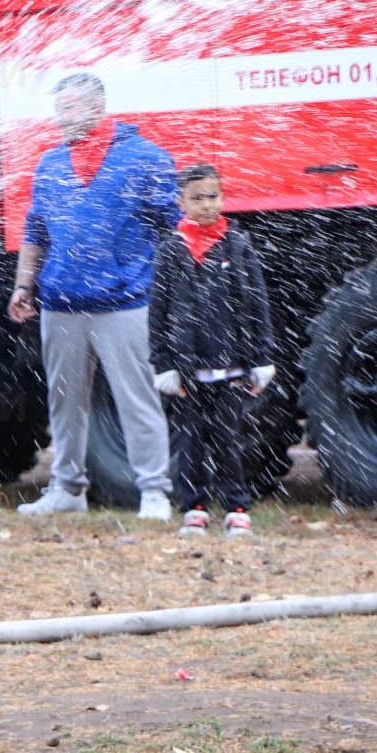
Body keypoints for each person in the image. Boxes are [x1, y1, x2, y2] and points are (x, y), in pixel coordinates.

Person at [8, 72, 178, 520]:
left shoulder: (145, 158)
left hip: (125, 302)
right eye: (58, 109)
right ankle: (68, 488)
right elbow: (34, 232)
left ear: (96, 108)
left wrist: (168, 290)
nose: (60, 118)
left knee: (136, 398)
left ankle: (154, 491)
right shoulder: (49, 164)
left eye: (68, 109)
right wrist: (25, 285)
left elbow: (175, 229)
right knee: (64, 400)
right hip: (61, 303)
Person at [149, 164, 277, 538]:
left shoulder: (237, 245)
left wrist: (261, 357)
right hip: (190, 369)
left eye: (213, 196)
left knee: (228, 439)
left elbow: (256, 304)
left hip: (231, 365)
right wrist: (163, 363)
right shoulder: (172, 249)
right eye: (197, 198)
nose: (207, 205)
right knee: (190, 441)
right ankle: (194, 507)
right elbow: (158, 312)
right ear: (181, 201)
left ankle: (236, 507)